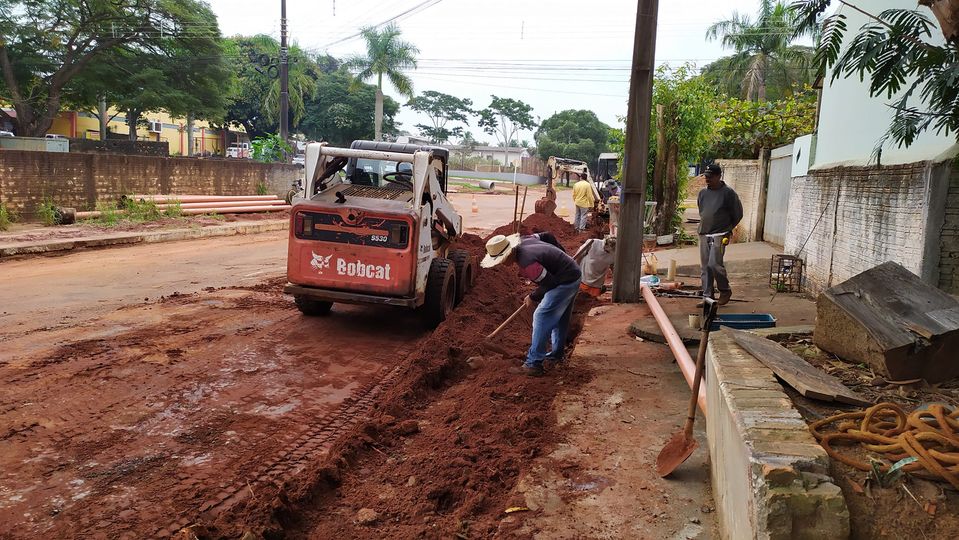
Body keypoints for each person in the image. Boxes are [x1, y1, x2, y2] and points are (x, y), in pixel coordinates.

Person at [481, 232, 582, 377]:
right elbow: (548, 236)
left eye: (501, 260)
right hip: (572, 274)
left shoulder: (527, 262)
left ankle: (533, 364)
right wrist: (561, 257)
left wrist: (532, 296)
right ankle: (556, 355)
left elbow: (549, 283)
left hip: (564, 281)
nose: (502, 264)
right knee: (560, 318)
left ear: (508, 254)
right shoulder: (525, 240)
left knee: (541, 316)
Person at [696, 163, 743, 305]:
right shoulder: (703, 193)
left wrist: (728, 229)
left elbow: (738, 214)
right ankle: (707, 297)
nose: (707, 179)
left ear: (718, 176)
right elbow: (702, 210)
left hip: (720, 234)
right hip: (704, 232)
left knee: (714, 264)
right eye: (706, 177)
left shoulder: (728, 193)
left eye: (710, 177)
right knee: (705, 267)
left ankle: (724, 290)